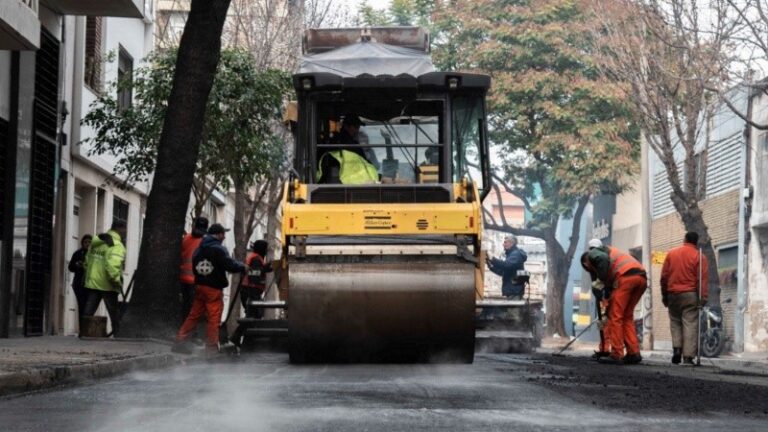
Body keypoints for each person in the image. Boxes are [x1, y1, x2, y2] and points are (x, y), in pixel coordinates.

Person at [174, 223, 245, 354]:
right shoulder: (218, 249)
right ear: (218, 234)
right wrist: (242, 266)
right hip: (213, 288)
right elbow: (229, 264)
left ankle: (180, 340)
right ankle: (211, 347)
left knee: (194, 315)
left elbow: (194, 265)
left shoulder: (199, 249)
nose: (224, 237)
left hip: (200, 286)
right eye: (223, 234)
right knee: (213, 316)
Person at [583, 238, 647, 365]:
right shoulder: (611, 252)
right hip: (641, 278)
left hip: (626, 278)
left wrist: (599, 281)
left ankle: (617, 353)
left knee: (615, 316)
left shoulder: (593, 253)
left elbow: (602, 261)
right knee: (626, 316)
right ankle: (633, 353)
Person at [660, 231, 709, 365]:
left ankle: (677, 350)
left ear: (685, 239)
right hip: (690, 294)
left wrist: (664, 295)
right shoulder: (700, 256)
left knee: (675, 322)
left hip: (672, 294)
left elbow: (664, 277)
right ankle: (688, 357)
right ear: (696, 242)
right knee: (690, 324)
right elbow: (702, 279)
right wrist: (702, 298)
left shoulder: (671, 253)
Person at [82, 222, 127, 336]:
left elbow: (87, 261)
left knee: (88, 312)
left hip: (93, 282)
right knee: (114, 314)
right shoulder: (117, 245)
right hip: (108, 285)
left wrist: (91, 274)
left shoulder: (96, 243)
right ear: (119, 228)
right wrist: (116, 282)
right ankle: (118, 335)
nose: (125, 232)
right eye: (124, 229)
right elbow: (112, 265)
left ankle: (84, 334)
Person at [229, 240, 274, 347]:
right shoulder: (256, 259)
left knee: (254, 316)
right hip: (251, 290)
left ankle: (247, 340)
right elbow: (255, 274)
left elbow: (257, 270)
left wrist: (265, 268)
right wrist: (264, 269)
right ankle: (237, 336)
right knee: (253, 316)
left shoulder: (254, 257)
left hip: (248, 290)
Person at [317, 114, 378, 184]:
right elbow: (365, 162)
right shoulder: (351, 144)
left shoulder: (332, 141)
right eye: (355, 127)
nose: (357, 130)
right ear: (346, 126)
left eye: (358, 127)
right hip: (351, 183)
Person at [580, 251, 610, 359]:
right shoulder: (597, 269)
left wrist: (603, 298)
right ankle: (603, 348)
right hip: (602, 299)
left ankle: (606, 349)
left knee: (605, 324)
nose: (586, 266)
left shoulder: (603, 265)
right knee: (602, 324)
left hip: (605, 299)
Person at [179, 216, 209, 323]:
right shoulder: (205, 241)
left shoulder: (185, 238)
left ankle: (185, 330)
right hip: (195, 281)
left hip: (183, 279)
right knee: (194, 309)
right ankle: (191, 333)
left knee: (185, 307)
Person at [68, 234, 92, 320]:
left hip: (90, 284)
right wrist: (77, 265)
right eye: (85, 242)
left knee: (88, 308)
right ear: (82, 243)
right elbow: (70, 267)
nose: (87, 244)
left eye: (89, 242)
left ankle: (87, 329)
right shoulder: (77, 253)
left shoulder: (94, 255)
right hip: (79, 283)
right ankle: (82, 330)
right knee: (81, 306)